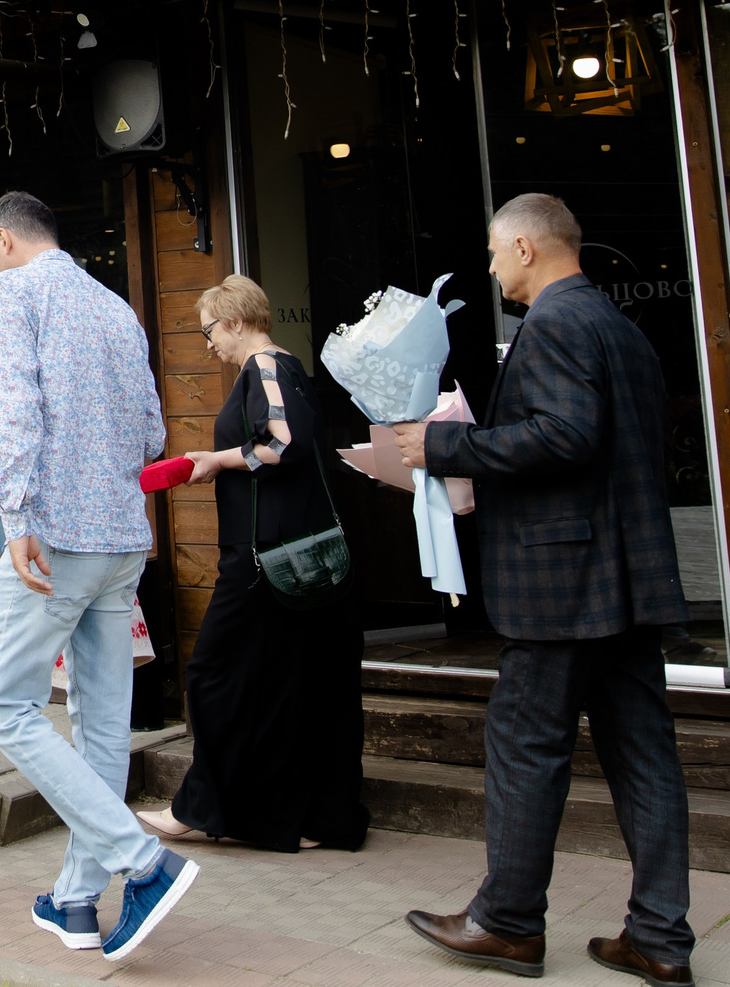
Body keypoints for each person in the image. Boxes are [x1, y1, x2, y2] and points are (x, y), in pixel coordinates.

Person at [394, 194, 695, 986]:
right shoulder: (621, 328)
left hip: (565, 583)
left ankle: (507, 923)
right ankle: (660, 937)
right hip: (627, 579)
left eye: (494, 253)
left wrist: (445, 445)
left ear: (525, 247)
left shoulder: (556, 323)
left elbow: (567, 435)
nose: (491, 268)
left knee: (525, 747)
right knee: (645, 759)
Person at [0, 190, 197, 966]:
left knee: (3, 706)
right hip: (122, 535)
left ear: (3, 241)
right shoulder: (112, 304)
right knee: (103, 726)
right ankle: (74, 898)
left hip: (57, 534)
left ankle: (141, 863)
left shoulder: (9, 290)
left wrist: (18, 512)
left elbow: (13, 405)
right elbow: (150, 425)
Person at [138, 274, 367, 853]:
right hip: (285, 553)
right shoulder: (280, 368)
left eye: (210, 329)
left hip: (267, 557)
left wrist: (214, 458)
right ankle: (312, 817)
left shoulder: (266, 367)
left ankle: (205, 807)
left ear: (236, 321)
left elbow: (283, 444)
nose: (208, 343)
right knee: (295, 685)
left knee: (213, 674)